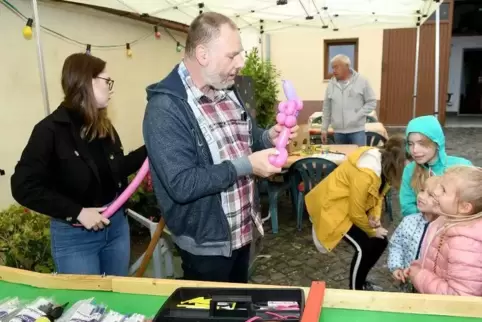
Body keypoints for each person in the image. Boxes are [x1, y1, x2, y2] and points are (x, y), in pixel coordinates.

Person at [142, 12, 298, 283]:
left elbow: (245, 137)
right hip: (207, 246)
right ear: (203, 55)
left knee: (237, 306)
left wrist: (267, 138)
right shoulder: (165, 109)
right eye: (232, 55)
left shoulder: (228, 89)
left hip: (242, 232)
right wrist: (248, 165)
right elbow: (182, 183)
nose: (240, 63)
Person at [11, 53, 146, 276]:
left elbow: (118, 168)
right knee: (86, 307)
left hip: (116, 230)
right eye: (107, 81)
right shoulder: (49, 131)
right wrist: (77, 212)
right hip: (75, 239)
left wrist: (152, 147)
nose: (111, 88)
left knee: (117, 303)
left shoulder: (103, 127)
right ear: (87, 82)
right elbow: (23, 186)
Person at [305, 134, 406, 291]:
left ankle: (361, 282)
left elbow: (378, 195)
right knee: (364, 247)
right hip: (334, 209)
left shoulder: (384, 166)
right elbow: (355, 212)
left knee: (381, 242)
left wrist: (375, 218)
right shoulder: (367, 172)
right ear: (398, 162)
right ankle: (355, 290)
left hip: (348, 207)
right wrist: (371, 230)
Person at [409, 165, 482, 296]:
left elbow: (461, 297)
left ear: (464, 207)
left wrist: (420, 276)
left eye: (443, 190)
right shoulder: (445, 221)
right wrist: (419, 267)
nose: (435, 192)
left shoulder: (464, 244)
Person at [399, 115, 472, 217]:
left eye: (421, 143)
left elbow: (472, 204)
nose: (415, 150)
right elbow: (407, 207)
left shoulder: (462, 166)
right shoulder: (410, 170)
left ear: (437, 143)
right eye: (410, 144)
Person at [387, 175, 440, 292]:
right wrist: (396, 266)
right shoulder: (408, 221)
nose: (421, 196)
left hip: (429, 289)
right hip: (406, 281)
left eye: (430, 195)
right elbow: (396, 245)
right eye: (422, 190)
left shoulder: (445, 231)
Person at [321, 54, 377, 146]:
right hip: (338, 133)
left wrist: (357, 115)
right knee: (341, 159)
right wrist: (324, 129)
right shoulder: (331, 84)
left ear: (346, 66)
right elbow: (326, 108)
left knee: (358, 158)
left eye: (336, 67)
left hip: (357, 131)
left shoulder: (362, 81)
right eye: (332, 68)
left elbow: (372, 102)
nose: (333, 71)